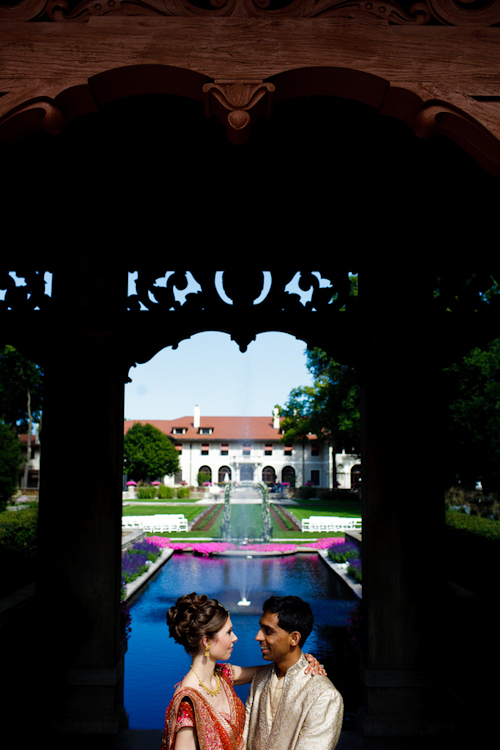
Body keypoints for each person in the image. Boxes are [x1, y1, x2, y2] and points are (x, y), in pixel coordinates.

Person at [161, 592, 325, 750]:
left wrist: (303, 661)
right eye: (229, 632)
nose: (235, 638)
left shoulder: (223, 676)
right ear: (206, 641)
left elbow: (278, 668)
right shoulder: (188, 701)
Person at [243, 595, 344, 750]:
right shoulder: (260, 679)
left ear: (294, 638)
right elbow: (244, 739)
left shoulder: (324, 695)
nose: (258, 636)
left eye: (268, 631)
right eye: (260, 628)